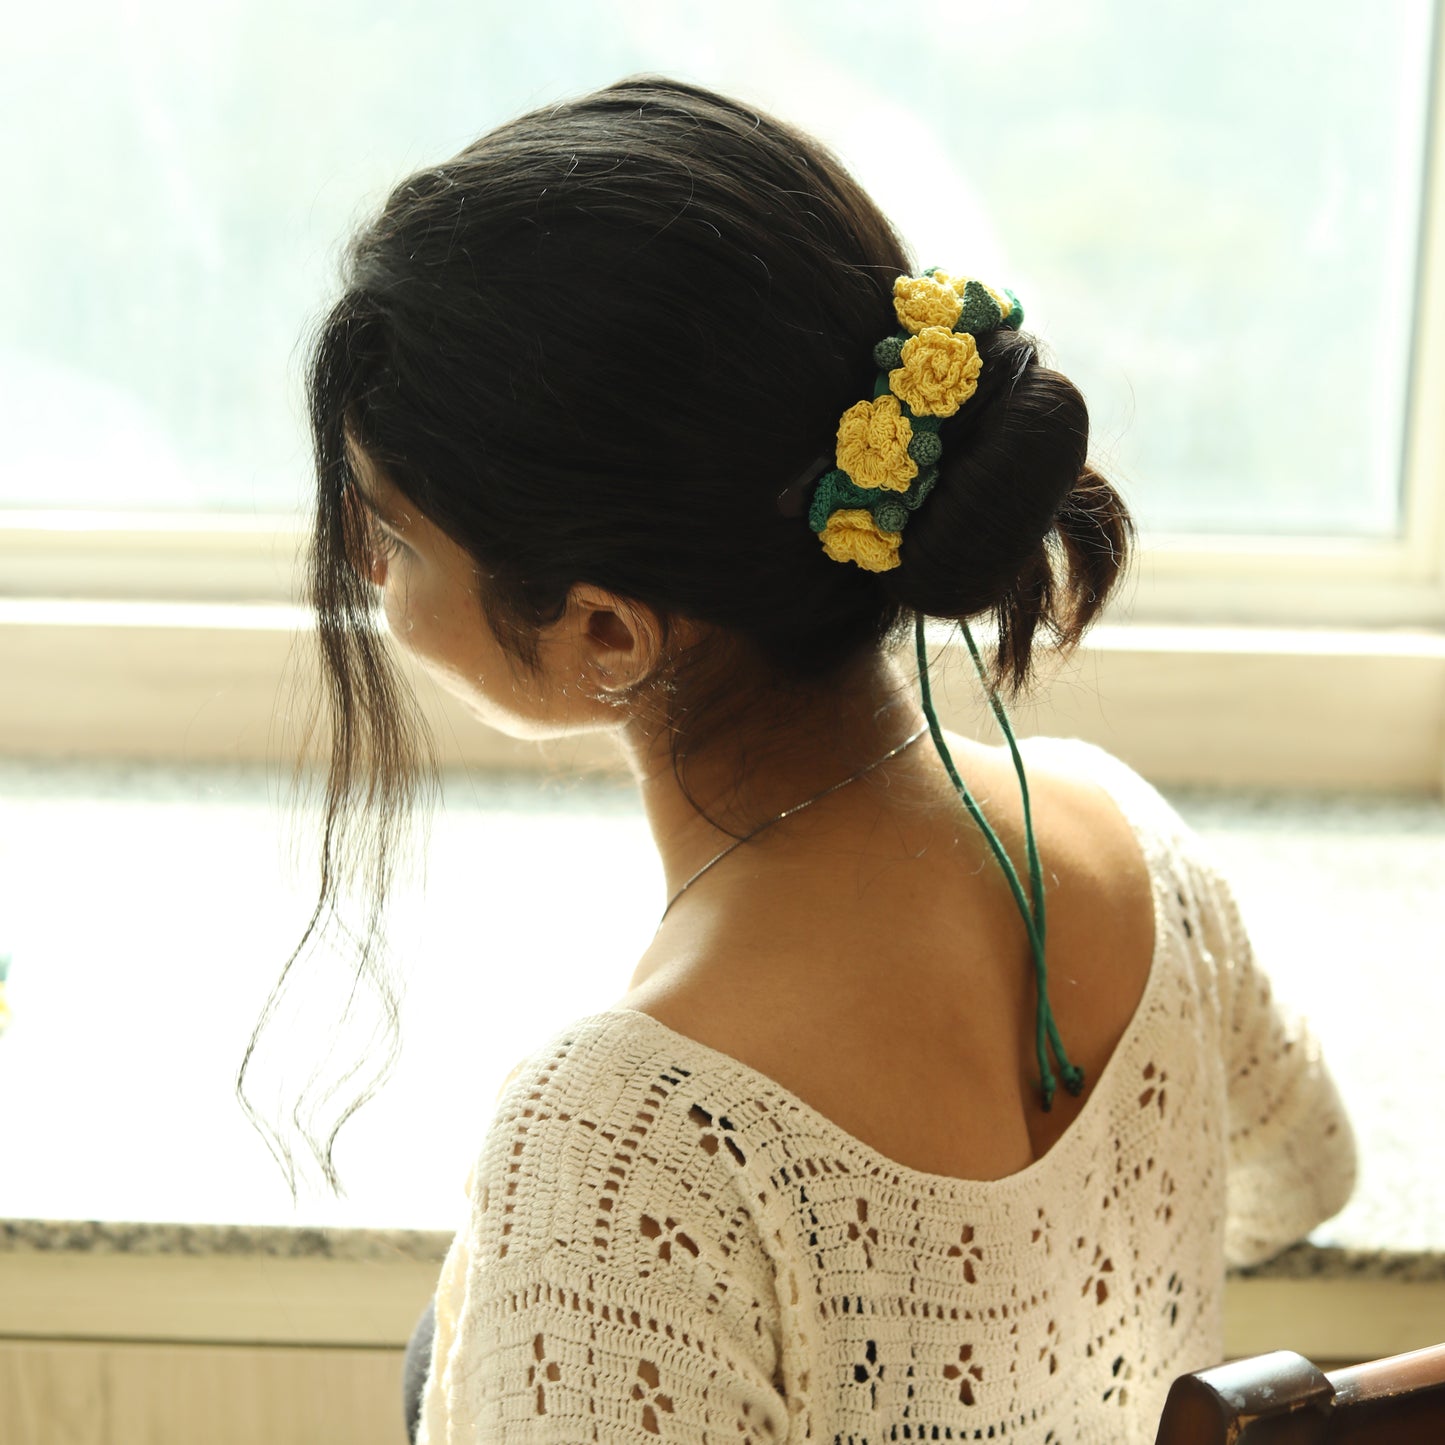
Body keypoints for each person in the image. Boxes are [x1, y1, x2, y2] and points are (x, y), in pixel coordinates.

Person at [292, 77, 1356, 1444]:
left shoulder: (625, 1136)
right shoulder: (1128, 840)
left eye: (393, 538)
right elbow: (1300, 1176)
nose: (368, 571)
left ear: (606, 627)